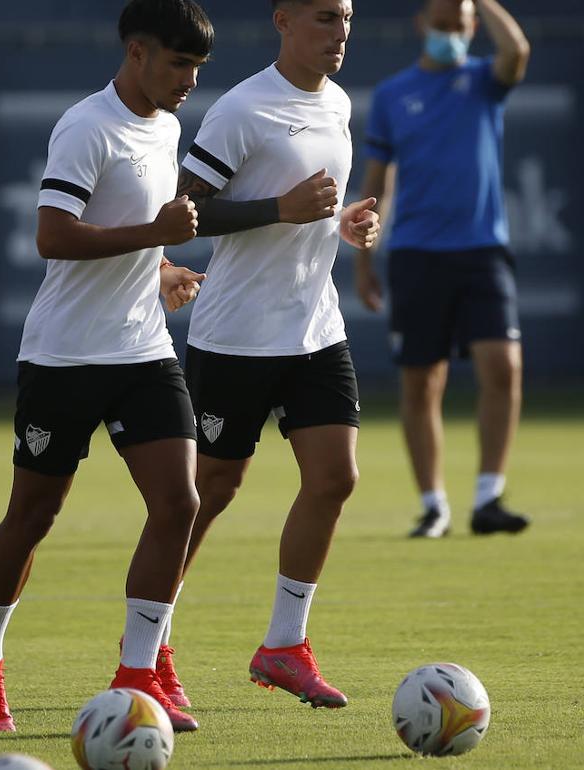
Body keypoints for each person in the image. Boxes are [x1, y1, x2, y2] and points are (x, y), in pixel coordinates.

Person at [0, 0, 211, 736]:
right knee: (33, 517)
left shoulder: (165, 126)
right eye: (177, 63)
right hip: (64, 354)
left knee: (179, 504)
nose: (188, 80)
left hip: (141, 350)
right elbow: (52, 235)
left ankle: (137, 675)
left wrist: (159, 267)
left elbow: (136, 235)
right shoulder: (85, 125)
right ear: (137, 52)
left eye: (196, 68)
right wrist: (154, 233)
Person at [171, 0, 380, 709]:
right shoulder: (243, 109)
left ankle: (285, 646)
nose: (341, 31)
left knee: (336, 478)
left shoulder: (340, 103)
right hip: (235, 335)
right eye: (325, 17)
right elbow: (184, 209)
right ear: (283, 19)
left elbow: (313, 210)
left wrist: (345, 223)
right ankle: (149, 646)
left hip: (314, 327)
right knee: (207, 494)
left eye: (347, 17)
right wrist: (278, 211)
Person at [353, 0, 531, 538]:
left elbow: (517, 50)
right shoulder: (392, 95)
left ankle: (488, 498)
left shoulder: (482, 81)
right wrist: (365, 259)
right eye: (442, 23)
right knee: (421, 381)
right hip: (416, 254)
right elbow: (378, 184)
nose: (450, 33)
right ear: (421, 25)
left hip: (481, 250)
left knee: (503, 366)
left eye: (460, 24)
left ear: (473, 26)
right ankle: (434, 505)